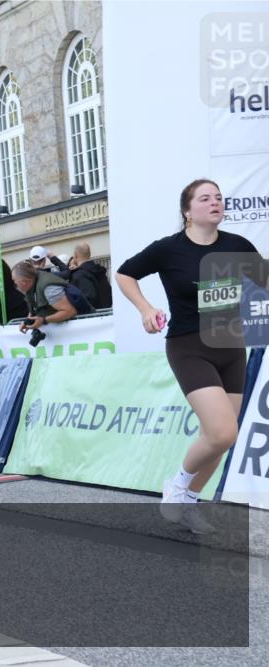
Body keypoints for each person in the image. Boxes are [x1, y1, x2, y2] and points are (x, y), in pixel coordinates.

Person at [116, 178, 268, 534]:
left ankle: (188, 501)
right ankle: (178, 484)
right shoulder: (169, 249)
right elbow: (124, 274)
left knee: (219, 439)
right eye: (205, 198)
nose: (215, 202)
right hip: (189, 347)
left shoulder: (237, 246)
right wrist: (145, 308)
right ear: (187, 211)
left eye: (219, 198)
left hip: (231, 347)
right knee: (222, 431)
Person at [12, 261, 78, 335]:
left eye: (15, 282)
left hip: (75, 330)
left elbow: (70, 311)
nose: (15, 285)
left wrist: (44, 320)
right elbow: (34, 309)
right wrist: (27, 322)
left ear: (24, 281)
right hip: (61, 330)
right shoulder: (31, 285)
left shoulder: (49, 289)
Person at [69, 243, 113, 309]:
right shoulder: (98, 270)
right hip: (107, 312)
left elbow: (87, 300)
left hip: (91, 314)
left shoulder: (79, 274)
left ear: (75, 255)